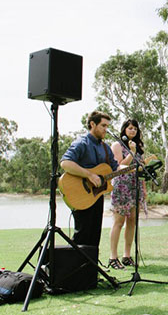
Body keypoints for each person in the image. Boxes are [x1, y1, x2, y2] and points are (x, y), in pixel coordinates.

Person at [60, 111, 119, 248]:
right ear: (92, 124)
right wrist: (89, 175)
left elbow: (116, 168)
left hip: (97, 195)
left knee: (95, 235)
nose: (106, 129)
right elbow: (65, 163)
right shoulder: (82, 143)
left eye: (107, 126)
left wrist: (134, 167)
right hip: (80, 194)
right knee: (82, 234)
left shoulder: (105, 147)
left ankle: (90, 268)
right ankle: (76, 268)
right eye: (103, 125)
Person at [108, 119, 147, 270]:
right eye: (130, 128)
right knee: (119, 222)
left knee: (132, 222)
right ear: (124, 129)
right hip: (121, 187)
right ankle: (113, 257)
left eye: (135, 129)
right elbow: (119, 166)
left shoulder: (138, 146)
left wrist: (143, 189)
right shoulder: (117, 145)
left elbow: (141, 169)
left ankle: (127, 255)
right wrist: (132, 153)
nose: (133, 131)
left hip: (135, 187)